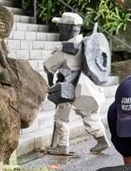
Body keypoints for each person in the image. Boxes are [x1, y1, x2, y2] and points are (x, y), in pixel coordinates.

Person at [43, 12, 110, 156]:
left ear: (66, 29)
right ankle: (102, 140)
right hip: (85, 86)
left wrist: (50, 84)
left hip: (67, 88)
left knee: (61, 118)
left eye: (61, 26)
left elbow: (48, 66)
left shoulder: (66, 50)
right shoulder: (85, 43)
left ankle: (62, 147)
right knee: (90, 116)